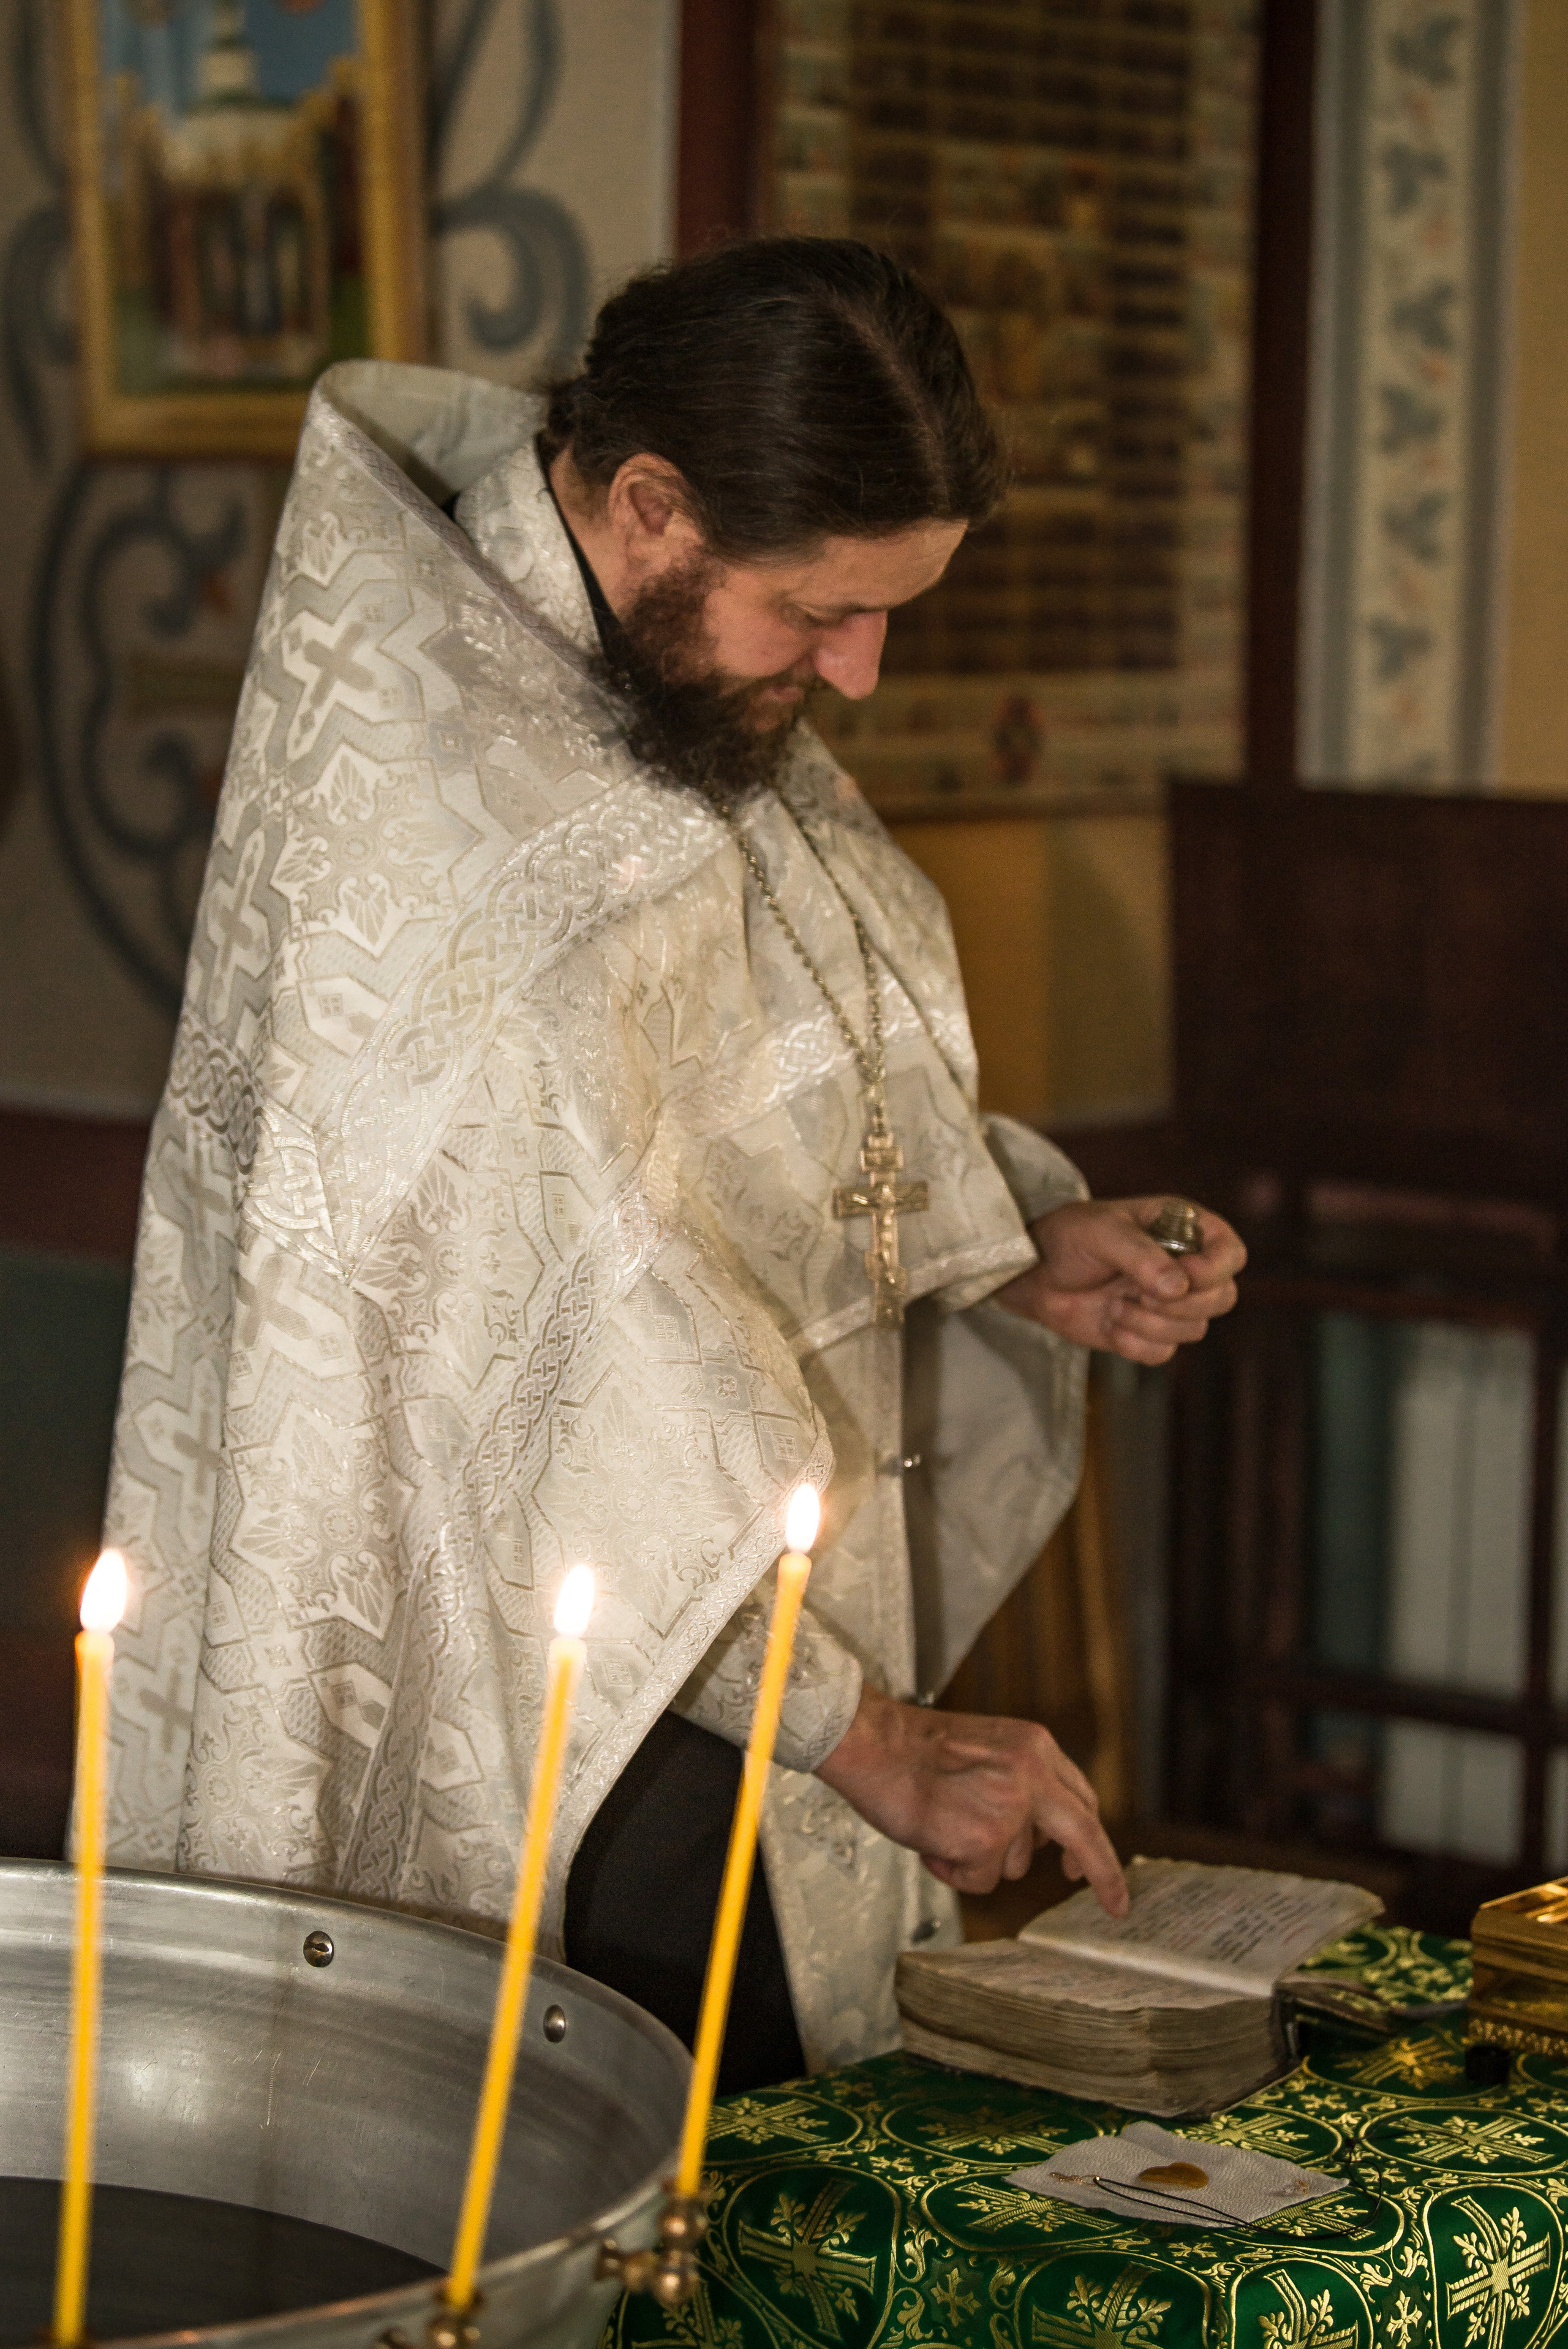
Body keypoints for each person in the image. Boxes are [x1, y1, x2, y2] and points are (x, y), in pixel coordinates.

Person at [102, 238, 1244, 2089]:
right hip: (561, 1730)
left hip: (750, 1672)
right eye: (825, 611)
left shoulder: (655, 668)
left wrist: (1005, 1236)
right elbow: (547, 1365)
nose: (859, 674)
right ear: (650, 504)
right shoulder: (442, 795)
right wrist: (862, 1732)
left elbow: (737, 1119)